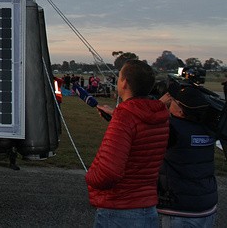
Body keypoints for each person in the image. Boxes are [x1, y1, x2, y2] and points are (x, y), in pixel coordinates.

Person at [86, 59, 169, 227]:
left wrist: (90, 178)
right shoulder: (159, 115)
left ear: (124, 83)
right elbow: (141, 137)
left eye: (119, 77)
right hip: (148, 207)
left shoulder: (125, 116)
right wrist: (116, 116)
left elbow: (109, 172)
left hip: (119, 210)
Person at [157, 82, 217, 226]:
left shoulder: (172, 129)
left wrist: (158, 104)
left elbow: (139, 123)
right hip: (206, 205)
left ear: (180, 111)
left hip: (181, 209)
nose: (170, 101)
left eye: (174, 101)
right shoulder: (208, 128)